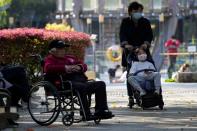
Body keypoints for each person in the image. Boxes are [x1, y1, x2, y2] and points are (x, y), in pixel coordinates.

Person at [44, 40, 114, 120]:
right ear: (53, 51)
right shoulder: (50, 59)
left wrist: (79, 67)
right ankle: (86, 114)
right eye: (61, 48)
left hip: (79, 81)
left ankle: (101, 111)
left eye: (64, 48)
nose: (64, 50)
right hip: (64, 84)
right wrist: (65, 68)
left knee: (100, 84)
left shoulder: (70, 58)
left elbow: (84, 66)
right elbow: (47, 68)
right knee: (81, 87)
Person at [119, 1, 153, 106]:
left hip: (143, 50)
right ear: (130, 12)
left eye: (140, 11)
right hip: (130, 51)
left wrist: (146, 44)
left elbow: (149, 35)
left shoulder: (146, 22)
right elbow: (122, 35)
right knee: (130, 73)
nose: (138, 13)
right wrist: (126, 45)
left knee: (149, 69)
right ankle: (131, 96)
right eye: (135, 11)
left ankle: (150, 93)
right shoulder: (125, 22)